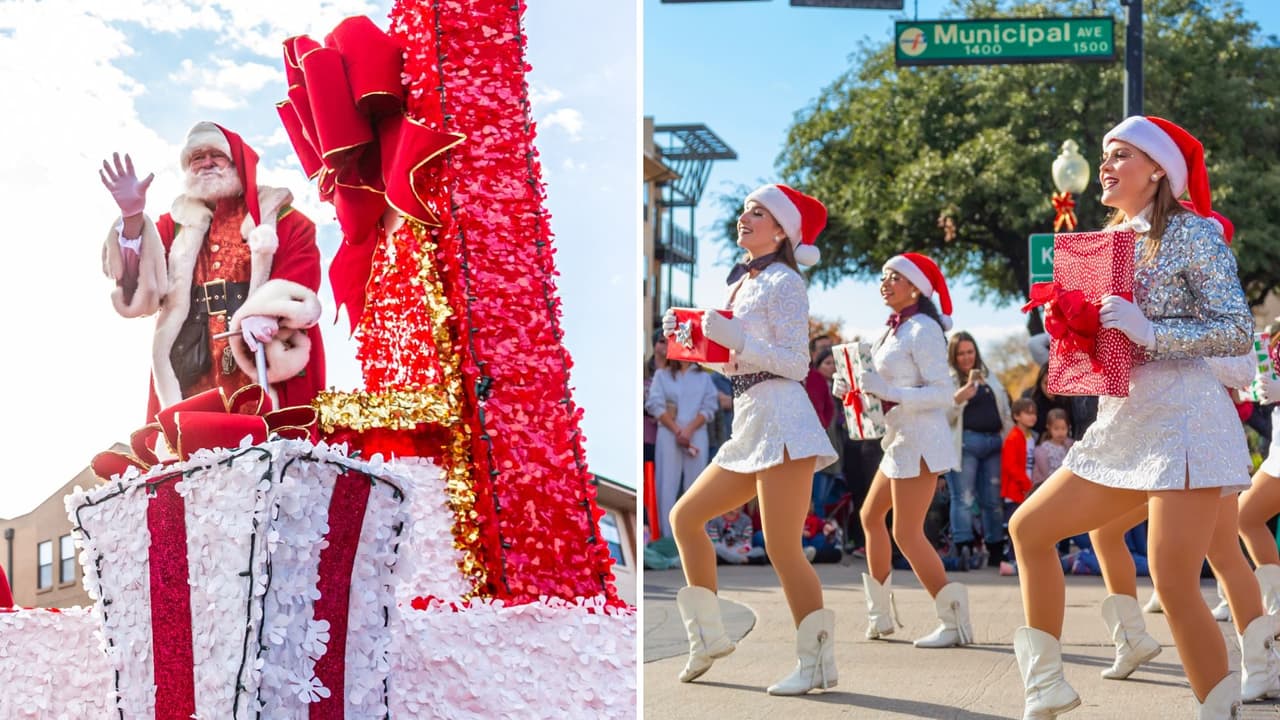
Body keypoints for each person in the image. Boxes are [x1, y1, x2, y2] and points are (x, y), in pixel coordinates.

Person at [1008, 116, 1254, 718]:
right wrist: (1066, 332)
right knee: (1029, 530)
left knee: (1172, 581)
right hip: (1123, 420)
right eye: (1103, 154)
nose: (1106, 165)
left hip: (1187, 420)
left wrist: (1152, 332)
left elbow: (1236, 330)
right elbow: (1102, 350)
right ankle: (1045, 685)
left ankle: (1219, 709)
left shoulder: (1196, 233)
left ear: (1158, 170)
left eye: (1120, 154)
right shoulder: (1102, 242)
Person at [664, 183, 838, 695]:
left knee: (783, 546)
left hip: (783, 419)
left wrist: (734, 337)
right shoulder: (741, 283)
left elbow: (794, 362)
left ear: (781, 230)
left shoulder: (785, 281)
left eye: (758, 213)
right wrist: (691, 339)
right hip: (749, 419)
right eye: (744, 211)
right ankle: (708, 639)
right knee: (685, 518)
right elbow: (733, 360)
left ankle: (818, 664)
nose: (745, 218)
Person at [99, 122, 325, 419]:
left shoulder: (282, 217)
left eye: (215, 155)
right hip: (190, 358)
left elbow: (301, 273)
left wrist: (266, 311)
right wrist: (131, 218)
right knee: (189, 446)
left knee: (269, 448)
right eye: (196, 157)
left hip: (260, 351)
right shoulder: (174, 224)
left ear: (236, 161)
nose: (206, 163)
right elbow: (139, 285)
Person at [834, 252, 972, 649]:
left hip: (921, 441)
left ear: (915, 286)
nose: (885, 282)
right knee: (870, 516)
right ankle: (880, 617)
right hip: (898, 439)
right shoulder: (889, 331)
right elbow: (877, 385)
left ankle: (953, 621)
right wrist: (851, 390)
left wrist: (886, 390)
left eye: (893, 276)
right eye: (882, 276)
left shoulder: (923, 329)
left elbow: (943, 392)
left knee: (907, 534)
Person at [945, 331, 1013, 568]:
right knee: (963, 498)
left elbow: (1005, 410)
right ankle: (963, 546)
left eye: (970, 352)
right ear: (953, 356)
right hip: (965, 444)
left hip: (994, 443)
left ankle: (995, 548)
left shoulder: (989, 376)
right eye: (961, 353)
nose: (966, 358)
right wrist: (958, 398)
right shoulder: (948, 380)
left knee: (993, 500)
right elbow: (942, 416)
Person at [645, 359, 718, 539]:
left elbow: (710, 406)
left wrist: (689, 430)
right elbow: (654, 404)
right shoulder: (662, 375)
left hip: (696, 433)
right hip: (668, 434)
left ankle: (697, 536)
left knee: (696, 486)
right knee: (666, 485)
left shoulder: (703, 378)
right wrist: (678, 431)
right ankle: (669, 538)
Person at [999, 398, 1038, 562]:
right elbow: (1010, 465)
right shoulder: (1013, 438)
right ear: (1016, 416)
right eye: (1028, 413)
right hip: (1015, 491)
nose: (1032, 417)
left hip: (1025, 491)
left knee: (1026, 527)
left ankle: (1022, 558)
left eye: (1034, 413)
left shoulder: (1030, 437)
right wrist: (1026, 483)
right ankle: (1012, 558)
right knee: (1014, 527)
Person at [806, 347, 841, 514]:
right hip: (814, 441)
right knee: (814, 500)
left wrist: (823, 424)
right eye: (828, 363)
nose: (832, 367)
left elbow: (830, 410)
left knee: (823, 499)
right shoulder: (813, 377)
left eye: (834, 363)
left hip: (829, 440)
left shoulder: (835, 384)